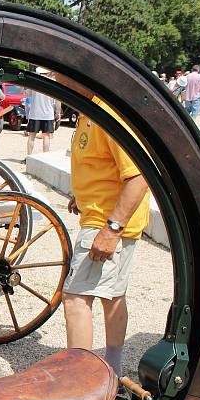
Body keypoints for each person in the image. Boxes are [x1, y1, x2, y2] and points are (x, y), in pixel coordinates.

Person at [56, 74, 150, 377]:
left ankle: (80, 382)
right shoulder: (90, 111)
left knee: (75, 299)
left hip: (105, 224)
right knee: (113, 297)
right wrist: (81, 193)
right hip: (108, 218)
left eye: (61, 76)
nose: (57, 82)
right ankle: (111, 370)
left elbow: (138, 175)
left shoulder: (107, 114)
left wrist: (111, 229)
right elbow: (101, 166)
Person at [25, 70, 60, 155]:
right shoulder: (53, 82)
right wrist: (58, 112)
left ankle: (29, 156)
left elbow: (28, 94)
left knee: (31, 137)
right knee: (46, 136)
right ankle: (45, 156)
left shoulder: (34, 81)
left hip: (35, 113)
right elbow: (58, 99)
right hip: (48, 114)